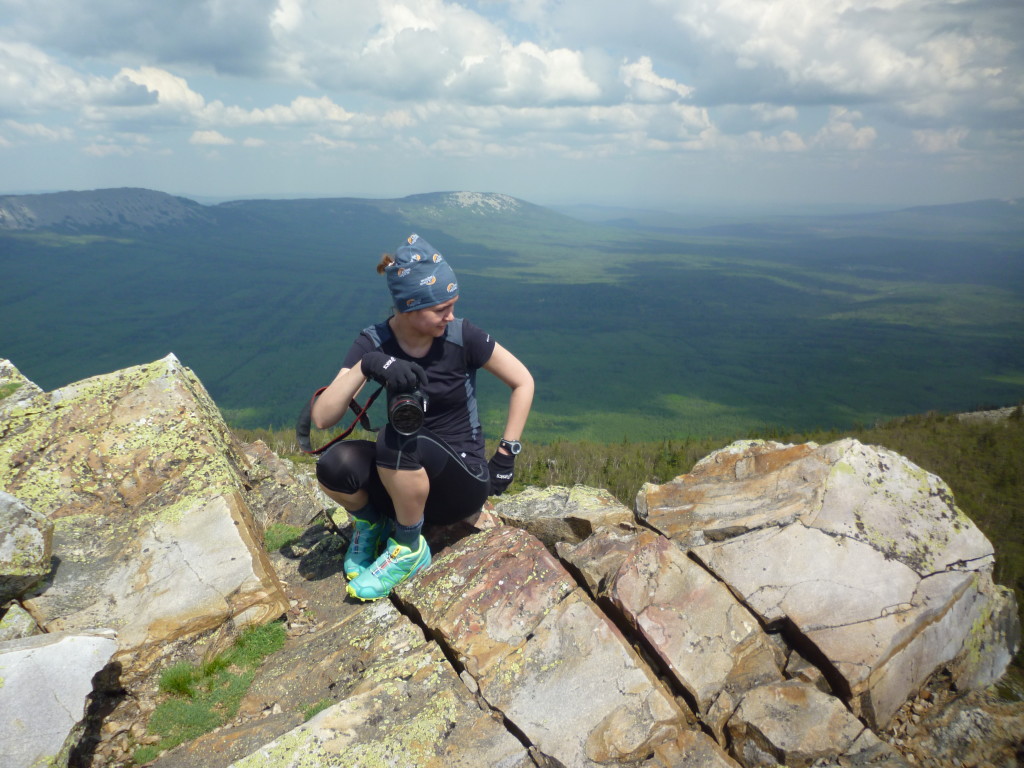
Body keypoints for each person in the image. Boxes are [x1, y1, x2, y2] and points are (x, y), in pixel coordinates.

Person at [311, 233, 534, 601]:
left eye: (452, 306)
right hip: (402, 480)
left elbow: (523, 381)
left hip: (459, 484)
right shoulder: (375, 342)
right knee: (334, 466)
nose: (450, 316)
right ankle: (372, 523)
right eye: (441, 309)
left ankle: (409, 548)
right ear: (408, 307)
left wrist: (506, 454)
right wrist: (368, 364)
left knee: (394, 437)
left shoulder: (463, 336)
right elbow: (322, 417)